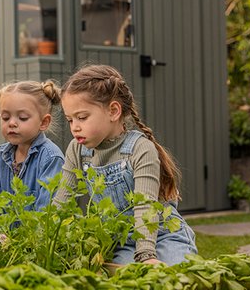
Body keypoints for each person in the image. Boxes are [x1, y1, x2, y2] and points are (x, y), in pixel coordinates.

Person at [54, 64, 197, 266]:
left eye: (82, 117)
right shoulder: (77, 150)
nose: (75, 127)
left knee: (176, 275)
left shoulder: (140, 149)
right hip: (122, 243)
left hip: (164, 234)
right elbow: (61, 202)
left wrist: (147, 255)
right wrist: (42, 240)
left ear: (113, 111)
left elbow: (145, 206)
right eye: (70, 120)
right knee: (124, 279)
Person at [0, 80, 64, 211]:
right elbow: (0, 207)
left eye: (23, 118)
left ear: (43, 122)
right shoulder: (2, 157)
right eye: (5, 117)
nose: (12, 123)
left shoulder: (50, 158)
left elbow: (47, 212)